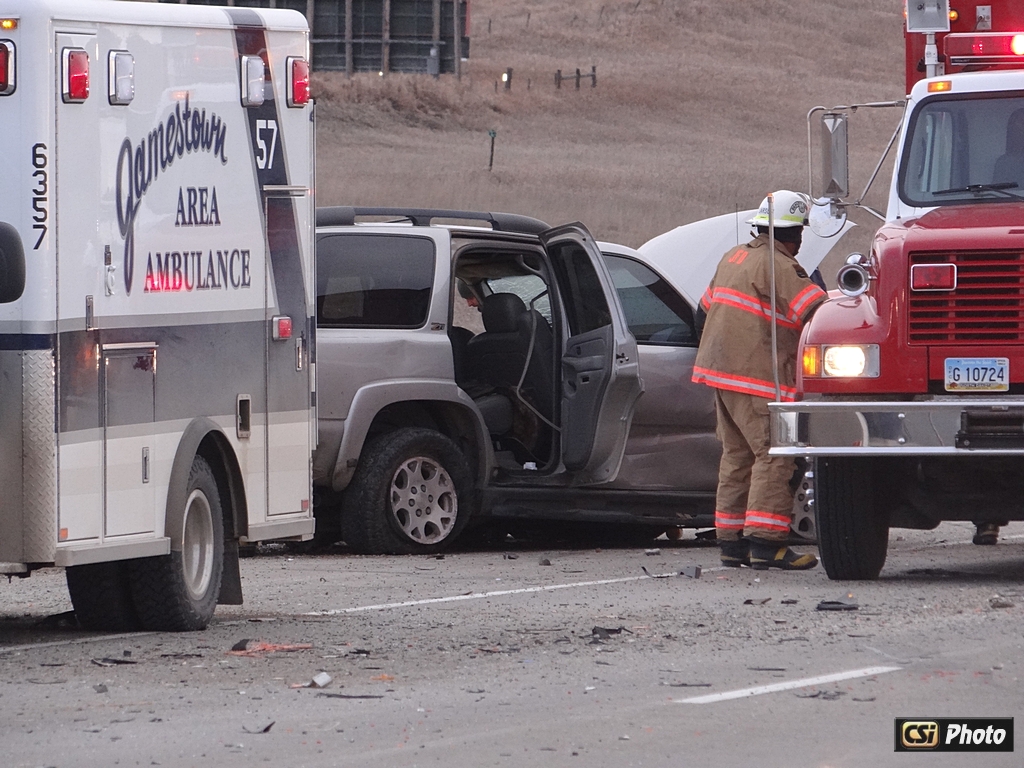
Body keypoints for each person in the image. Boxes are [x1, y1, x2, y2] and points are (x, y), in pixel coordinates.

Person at [693, 190, 827, 570]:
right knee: (774, 454)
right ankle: (767, 544)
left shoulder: (734, 257)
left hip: (720, 374)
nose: (800, 243)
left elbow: (703, 311)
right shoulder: (781, 267)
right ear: (792, 234)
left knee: (738, 456)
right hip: (758, 378)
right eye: (799, 234)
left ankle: (731, 544)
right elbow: (816, 315)